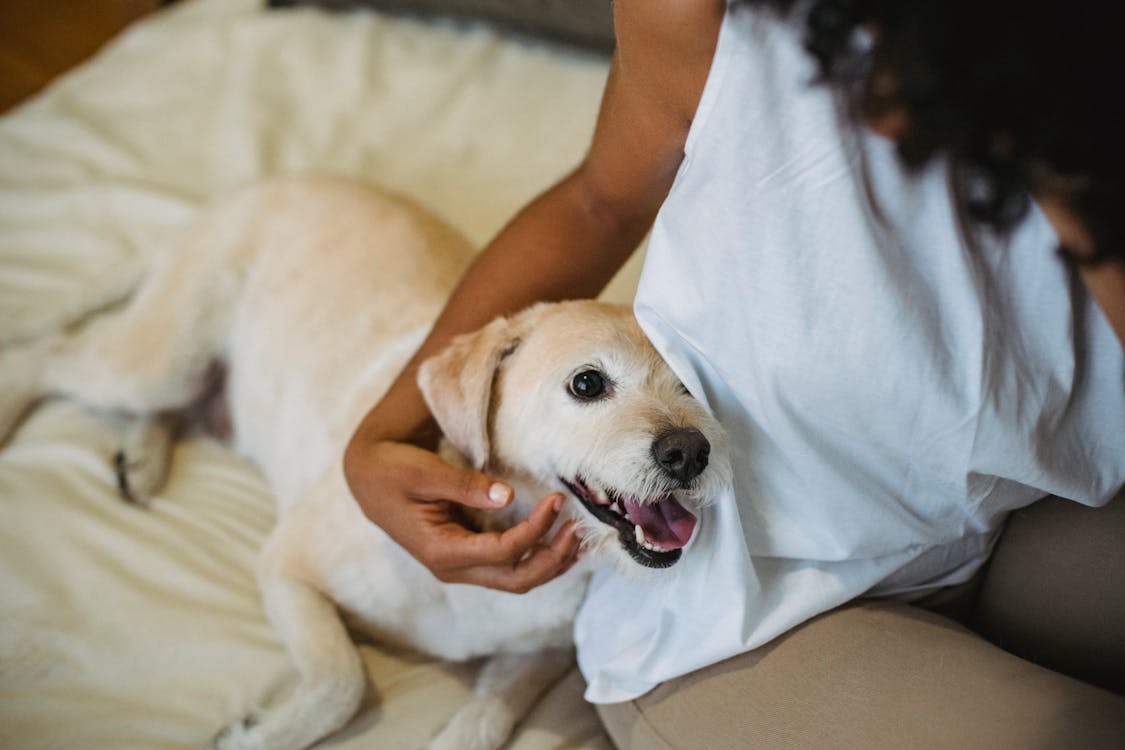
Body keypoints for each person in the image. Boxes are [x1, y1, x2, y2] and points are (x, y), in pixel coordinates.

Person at [344, 0, 1125, 744]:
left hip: (1031, 500)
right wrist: (384, 434)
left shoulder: (1067, 63)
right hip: (737, 594)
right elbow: (598, 202)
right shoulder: (698, 18)